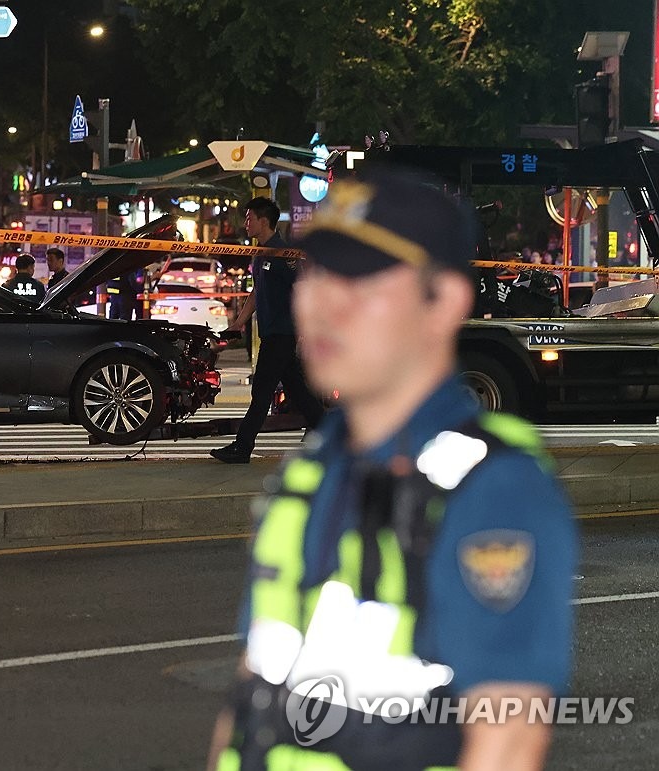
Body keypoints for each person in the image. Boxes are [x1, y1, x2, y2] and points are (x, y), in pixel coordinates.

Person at [206, 169, 577, 771]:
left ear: (444, 302)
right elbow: (254, 689)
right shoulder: (308, 473)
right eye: (317, 273)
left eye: (362, 279)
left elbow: (507, 738)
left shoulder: (490, 485)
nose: (323, 304)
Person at [212, 197, 324, 463]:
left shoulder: (284, 254)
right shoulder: (260, 253)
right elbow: (256, 292)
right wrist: (239, 322)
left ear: (264, 221)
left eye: (249, 218)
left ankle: (242, 447)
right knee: (298, 391)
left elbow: (302, 289)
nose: (246, 223)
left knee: (261, 393)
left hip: (282, 333)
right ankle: (331, 432)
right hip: (271, 332)